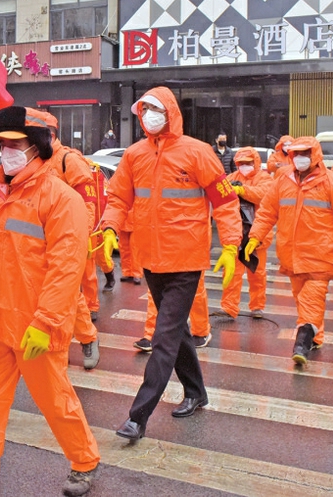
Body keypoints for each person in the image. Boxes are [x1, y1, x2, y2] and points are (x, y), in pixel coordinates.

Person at [0, 106, 100, 497]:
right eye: (1, 145)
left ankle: (84, 460)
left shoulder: (60, 199)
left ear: (35, 147)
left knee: (56, 403)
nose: (6, 152)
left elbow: (66, 269)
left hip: (35, 327)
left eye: (14, 144)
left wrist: (47, 322)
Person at [97, 87, 241, 441]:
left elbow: (224, 201)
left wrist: (231, 245)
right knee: (177, 333)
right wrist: (111, 227)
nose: (148, 115)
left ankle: (138, 416)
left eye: (155, 108)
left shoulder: (197, 152)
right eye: (144, 109)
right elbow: (117, 197)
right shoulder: (134, 155)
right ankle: (196, 391)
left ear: (171, 112)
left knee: (163, 336)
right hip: (151, 259)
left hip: (186, 259)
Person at [246, 137, 333, 365]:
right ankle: (316, 336)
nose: (300, 158)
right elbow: (268, 211)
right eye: (296, 153)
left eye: (305, 153)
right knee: (302, 299)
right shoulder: (283, 180)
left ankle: (302, 342)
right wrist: (255, 236)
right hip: (292, 256)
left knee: (310, 300)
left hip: (322, 256)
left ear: (315, 155)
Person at [38, 110, 102, 370]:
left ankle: (87, 338)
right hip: (39, 240)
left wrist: (81, 235)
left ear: (50, 136)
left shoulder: (68, 160)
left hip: (65, 238)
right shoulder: (36, 160)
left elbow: (88, 200)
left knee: (68, 294)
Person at [218, 147, 274, 319]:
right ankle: (228, 307)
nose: (244, 166)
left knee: (257, 273)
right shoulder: (232, 178)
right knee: (232, 272)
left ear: (255, 162)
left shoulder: (264, 178)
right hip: (236, 233)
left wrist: (242, 190)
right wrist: (229, 190)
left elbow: (263, 195)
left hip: (257, 235)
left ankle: (257, 306)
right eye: (241, 163)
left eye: (248, 163)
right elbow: (219, 193)